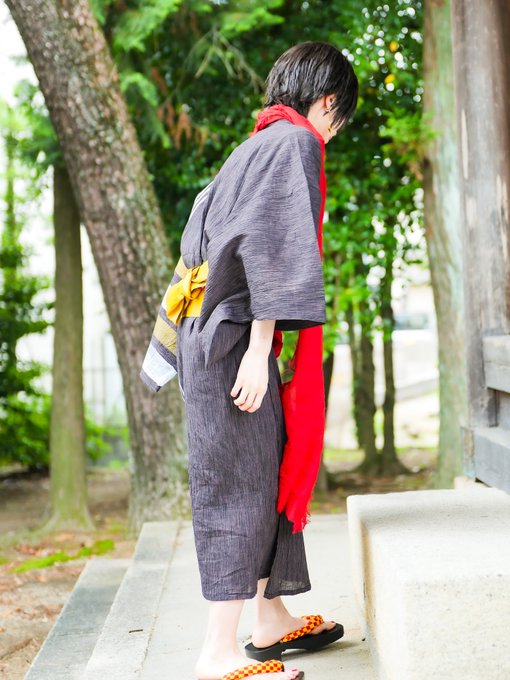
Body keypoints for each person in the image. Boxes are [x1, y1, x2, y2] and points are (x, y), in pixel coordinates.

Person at [140, 41, 358, 680]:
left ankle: (270, 617)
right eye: (339, 118)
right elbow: (271, 246)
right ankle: (216, 653)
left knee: (263, 473)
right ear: (327, 101)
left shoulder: (255, 144)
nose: (334, 131)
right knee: (237, 484)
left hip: (213, 331)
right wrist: (260, 350)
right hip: (233, 341)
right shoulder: (294, 143)